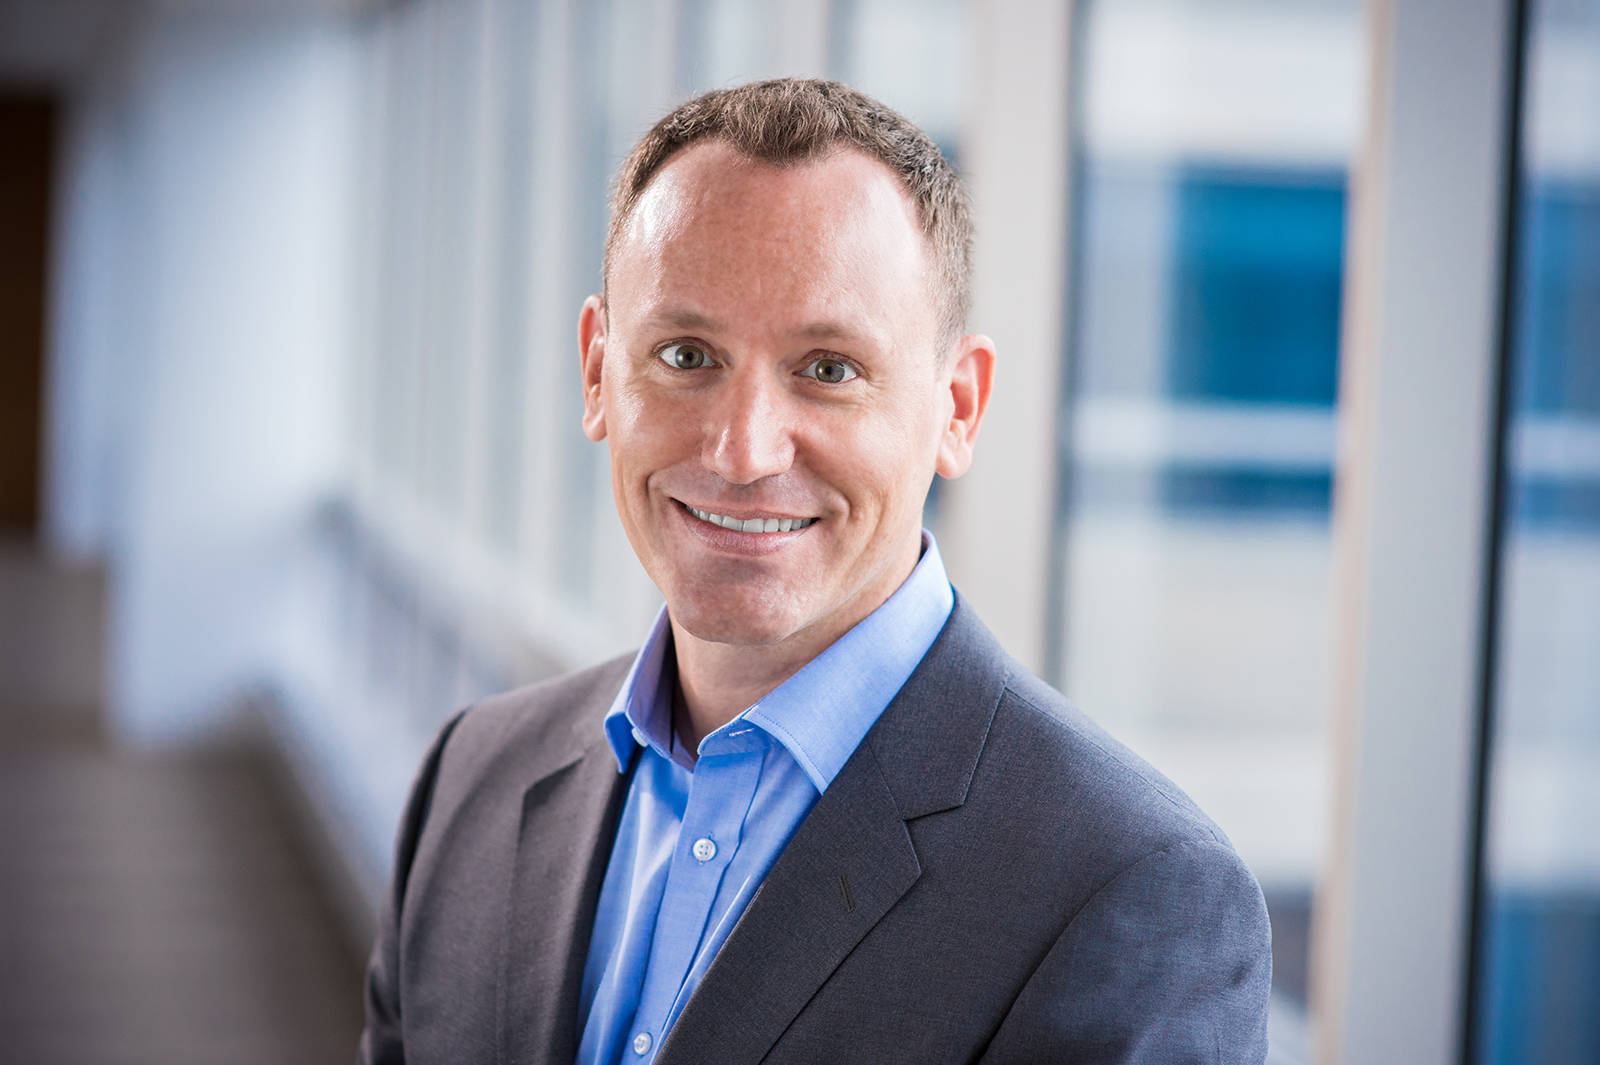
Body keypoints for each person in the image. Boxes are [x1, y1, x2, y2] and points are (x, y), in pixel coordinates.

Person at [360, 78, 1271, 1065]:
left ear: (958, 408)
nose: (743, 450)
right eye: (686, 355)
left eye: (828, 368)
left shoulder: (1130, 893)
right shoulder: (473, 777)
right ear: (596, 372)